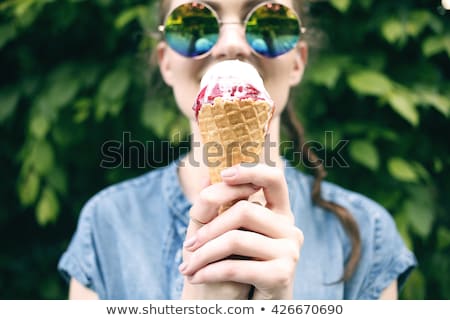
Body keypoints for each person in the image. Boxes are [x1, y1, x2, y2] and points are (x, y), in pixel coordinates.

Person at [58, 0, 417, 299]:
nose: (232, 43)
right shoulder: (107, 225)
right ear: (166, 62)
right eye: (195, 23)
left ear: (298, 61)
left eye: (268, 22)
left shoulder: (365, 234)